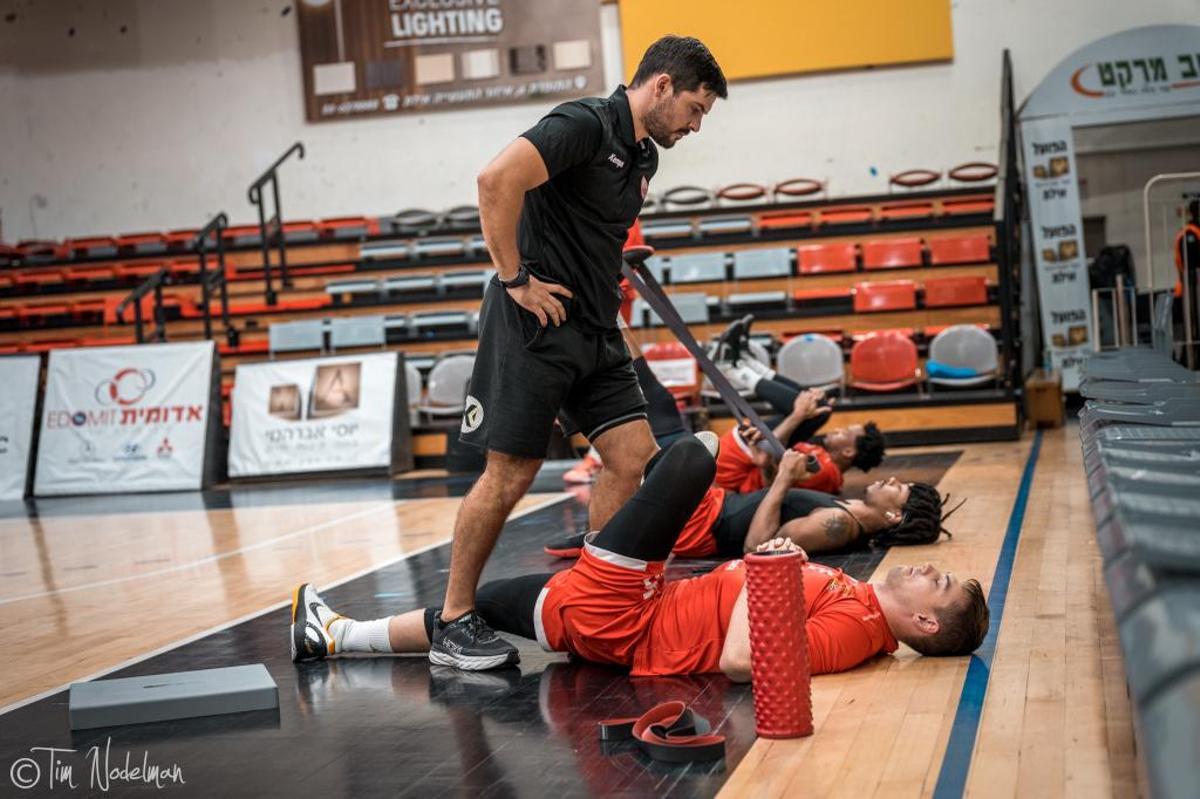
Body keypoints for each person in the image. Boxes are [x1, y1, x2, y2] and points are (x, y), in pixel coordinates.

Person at [433, 36, 728, 670]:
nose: (696, 125)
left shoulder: (643, 156)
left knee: (633, 459)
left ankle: (593, 593)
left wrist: (614, 317)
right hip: (534, 323)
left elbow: (596, 241)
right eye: (696, 109)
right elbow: (495, 181)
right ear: (662, 87)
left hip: (596, 332)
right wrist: (515, 280)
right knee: (508, 475)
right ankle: (454, 621)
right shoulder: (582, 124)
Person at [291, 437, 990, 678]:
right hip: (620, 620)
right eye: (942, 568)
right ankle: (335, 637)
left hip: (629, 615)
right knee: (474, 609)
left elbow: (744, 662)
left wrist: (758, 573)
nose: (933, 570)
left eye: (943, 584)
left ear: (924, 624)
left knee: (692, 454)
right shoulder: (860, 605)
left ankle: (587, 437)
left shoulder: (856, 631)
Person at [547, 446, 953, 559]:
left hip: (702, 526)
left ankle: (595, 543)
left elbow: (757, 548)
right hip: (713, 506)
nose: (893, 479)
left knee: (645, 447)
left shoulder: (838, 524)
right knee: (650, 443)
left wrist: (782, 479)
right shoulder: (845, 510)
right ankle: (595, 539)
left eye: (899, 488)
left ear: (893, 514)